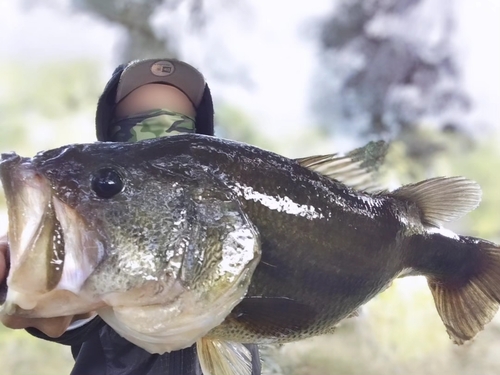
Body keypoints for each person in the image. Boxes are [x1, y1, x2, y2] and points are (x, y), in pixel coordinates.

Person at [0, 58, 262, 375]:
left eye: (178, 124)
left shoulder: (241, 217)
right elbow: (68, 302)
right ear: (110, 143)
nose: (158, 135)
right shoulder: (97, 236)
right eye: (139, 122)